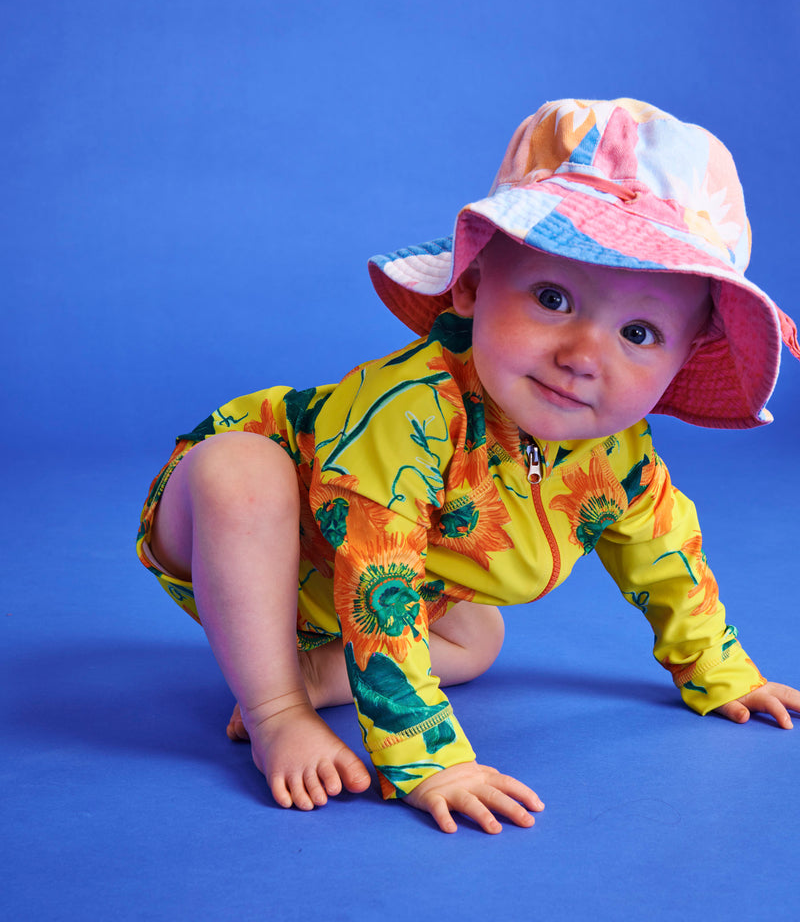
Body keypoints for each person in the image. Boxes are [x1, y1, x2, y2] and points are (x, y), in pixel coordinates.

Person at [137, 98, 800, 834]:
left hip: (362, 589)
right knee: (241, 471)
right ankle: (275, 709)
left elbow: (666, 554)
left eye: (639, 332)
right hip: (247, 536)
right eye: (552, 298)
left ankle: (318, 670)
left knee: (477, 640)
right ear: (472, 286)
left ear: (678, 365)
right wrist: (431, 760)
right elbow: (377, 572)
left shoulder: (619, 458)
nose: (582, 355)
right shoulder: (412, 413)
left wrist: (721, 673)